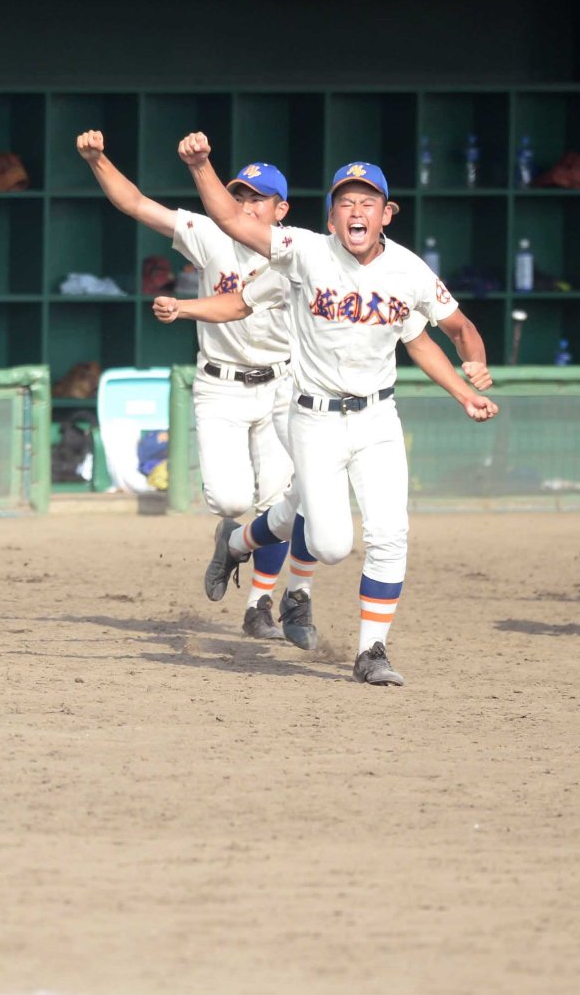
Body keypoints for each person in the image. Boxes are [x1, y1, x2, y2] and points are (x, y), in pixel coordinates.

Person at [156, 137, 496, 684]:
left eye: (368, 202)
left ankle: (373, 651)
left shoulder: (407, 271)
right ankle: (240, 541)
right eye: (345, 201)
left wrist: (469, 377)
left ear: (387, 214)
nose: (356, 210)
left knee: (389, 533)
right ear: (332, 215)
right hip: (312, 417)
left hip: (378, 418)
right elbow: (233, 226)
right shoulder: (305, 253)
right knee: (331, 543)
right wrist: (201, 168)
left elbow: (449, 331)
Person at [75, 129, 314, 639]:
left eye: (258, 199)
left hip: (279, 386)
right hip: (221, 386)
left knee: (280, 504)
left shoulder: (299, 254)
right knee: (231, 501)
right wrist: (98, 159)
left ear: (282, 209)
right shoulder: (210, 233)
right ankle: (230, 537)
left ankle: (259, 605)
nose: (246, 205)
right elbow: (136, 204)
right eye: (240, 195)